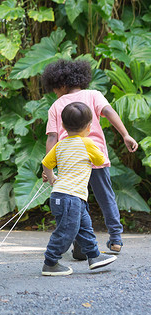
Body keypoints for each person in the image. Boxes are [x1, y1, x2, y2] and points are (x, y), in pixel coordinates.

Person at [42, 59, 138, 258]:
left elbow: (52, 137)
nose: (54, 92)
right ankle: (116, 239)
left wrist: (48, 168)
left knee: (75, 200)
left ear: (60, 84)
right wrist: (125, 134)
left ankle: (79, 245)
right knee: (106, 196)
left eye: (54, 88)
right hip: (95, 154)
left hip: (70, 160)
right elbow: (109, 112)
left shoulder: (56, 106)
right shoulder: (94, 95)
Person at [42, 102, 117, 276]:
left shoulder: (59, 145)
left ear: (62, 126)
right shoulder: (87, 143)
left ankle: (94, 256)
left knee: (85, 227)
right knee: (66, 232)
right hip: (71, 197)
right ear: (89, 126)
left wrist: (51, 177)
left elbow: (46, 163)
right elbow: (100, 161)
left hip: (65, 196)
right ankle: (50, 262)